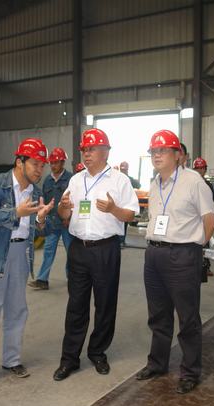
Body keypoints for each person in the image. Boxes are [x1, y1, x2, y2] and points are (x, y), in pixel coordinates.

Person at [53, 128, 139, 381]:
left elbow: (130, 215)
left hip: (106, 249)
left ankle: (98, 352)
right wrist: (63, 208)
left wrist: (113, 209)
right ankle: (69, 359)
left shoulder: (119, 181)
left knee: (105, 304)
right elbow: (64, 216)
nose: (87, 154)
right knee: (76, 305)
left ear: (106, 152)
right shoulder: (75, 180)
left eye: (92, 149)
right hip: (78, 248)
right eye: (84, 150)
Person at [136, 130, 214, 394]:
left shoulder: (193, 182)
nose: (157, 155)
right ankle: (157, 363)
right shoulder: (154, 184)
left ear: (177, 154)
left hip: (182, 255)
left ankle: (190, 371)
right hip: (154, 254)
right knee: (158, 315)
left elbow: (210, 218)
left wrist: (196, 246)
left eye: (162, 151)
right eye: (153, 151)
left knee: (187, 317)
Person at [0, 138, 54, 393]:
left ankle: (12, 360)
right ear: (20, 162)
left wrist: (41, 220)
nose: (40, 170)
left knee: (17, 310)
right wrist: (15, 213)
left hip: (21, 254)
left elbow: (40, 229)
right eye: (35, 164)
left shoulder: (36, 192)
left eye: (42, 165)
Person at [29, 148, 73, 291]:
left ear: (63, 162)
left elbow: (76, 200)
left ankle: (72, 278)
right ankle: (42, 280)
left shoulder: (71, 179)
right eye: (51, 163)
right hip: (52, 223)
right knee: (48, 251)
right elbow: (44, 202)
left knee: (71, 252)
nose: (53, 165)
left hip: (66, 223)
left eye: (56, 162)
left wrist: (69, 217)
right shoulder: (47, 180)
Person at [192, 156, 214, 279]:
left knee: (205, 243)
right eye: (197, 168)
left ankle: (205, 266)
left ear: (205, 169)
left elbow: (211, 202)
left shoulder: (207, 185)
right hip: (193, 219)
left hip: (204, 218)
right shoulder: (190, 184)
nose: (200, 171)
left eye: (202, 168)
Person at [119, 160, 140, 246]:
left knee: (124, 223)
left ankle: (121, 240)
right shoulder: (116, 178)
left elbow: (138, 185)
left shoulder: (129, 179)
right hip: (117, 204)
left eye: (125, 169)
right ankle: (120, 240)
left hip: (126, 205)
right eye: (122, 168)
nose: (123, 170)